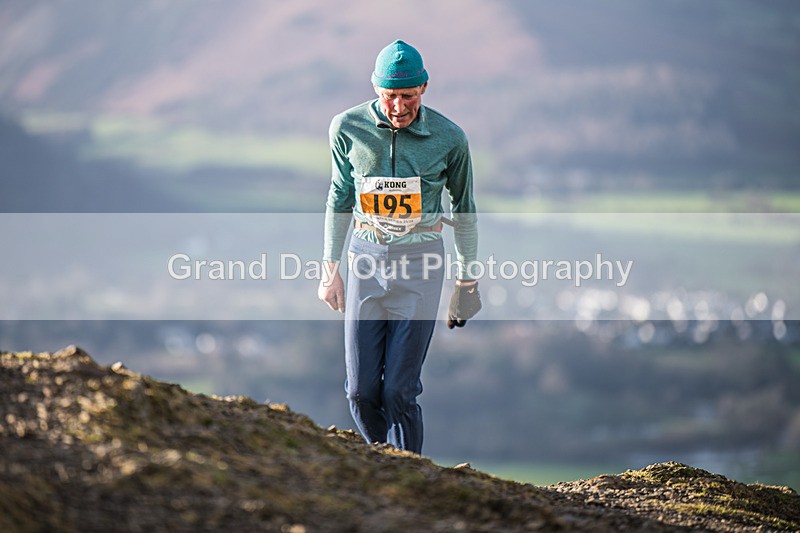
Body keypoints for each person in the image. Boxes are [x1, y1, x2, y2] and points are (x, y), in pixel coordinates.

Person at [318, 40, 481, 454]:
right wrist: (328, 269)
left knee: (399, 393)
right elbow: (339, 197)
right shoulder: (346, 128)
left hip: (421, 266)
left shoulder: (450, 138)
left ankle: (411, 475)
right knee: (359, 391)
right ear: (376, 89)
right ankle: (385, 464)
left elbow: (464, 209)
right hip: (365, 262)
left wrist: (466, 284)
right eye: (390, 95)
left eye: (408, 96)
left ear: (424, 88)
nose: (398, 106)